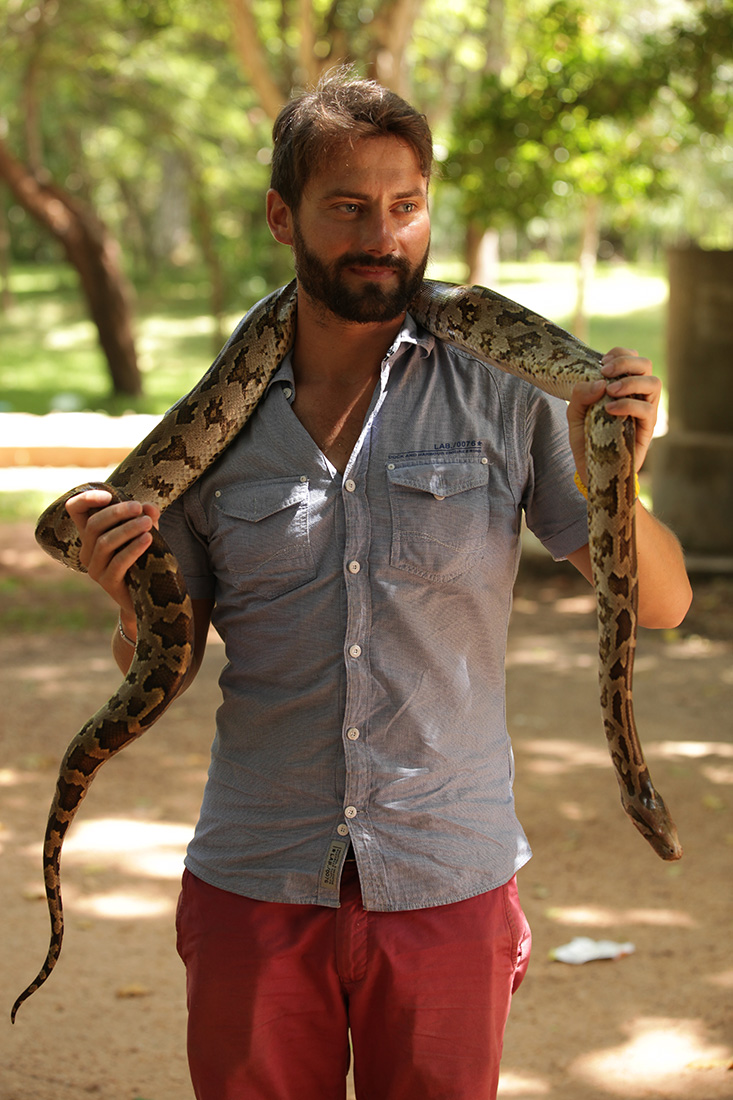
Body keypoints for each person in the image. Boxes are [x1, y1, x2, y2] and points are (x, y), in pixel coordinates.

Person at [66, 74, 692, 1100]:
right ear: (283, 217)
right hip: (258, 873)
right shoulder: (205, 438)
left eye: (405, 206)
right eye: (348, 207)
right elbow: (160, 667)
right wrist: (129, 604)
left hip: (446, 874)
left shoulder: (511, 391)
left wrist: (619, 468)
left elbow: (660, 603)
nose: (382, 236)